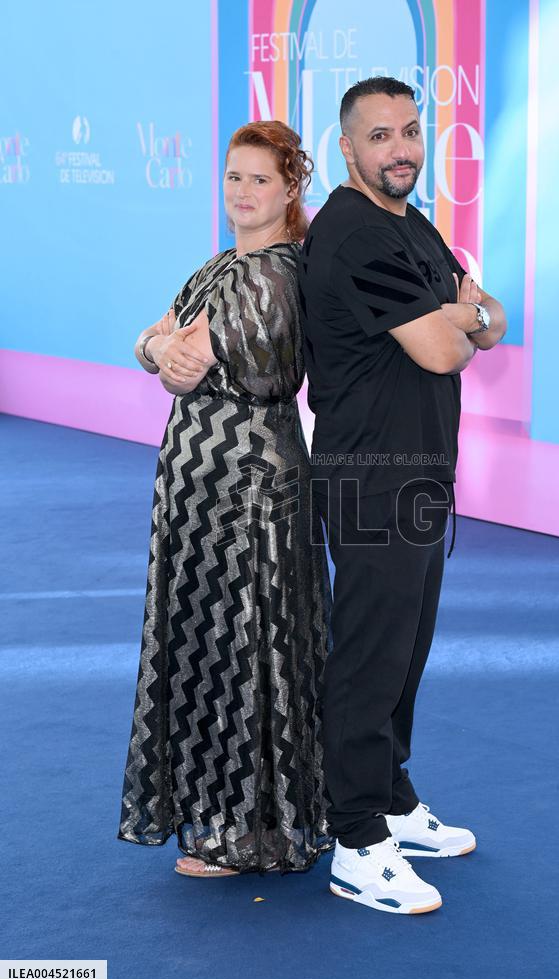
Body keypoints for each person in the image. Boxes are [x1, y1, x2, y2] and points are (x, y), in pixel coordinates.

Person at [298, 77, 507, 914]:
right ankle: (354, 838)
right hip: (368, 477)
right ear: (347, 148)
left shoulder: (411, 225)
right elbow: (446, 351)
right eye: (380, 136)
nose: (402, 150)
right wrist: (455, 319)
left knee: (406, 652)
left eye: (412, 131)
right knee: (369, 657)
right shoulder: (353, 233)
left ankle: (390, 795)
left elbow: (488, 319)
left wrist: (460, 316)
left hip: (421, 473)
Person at [117, 120, 333, 877]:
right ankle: (224, 816)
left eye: (259, 180)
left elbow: (230, 368)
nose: (243, 193)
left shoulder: (274, 272)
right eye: (234, 177)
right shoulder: (219, 265)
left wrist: (174, 355)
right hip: (197, 487)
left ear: (290, 189)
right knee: (211, 645)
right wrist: (161, 349)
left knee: (247, 650)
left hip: (248, 490)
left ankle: (250, 832)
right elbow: (153, 341)